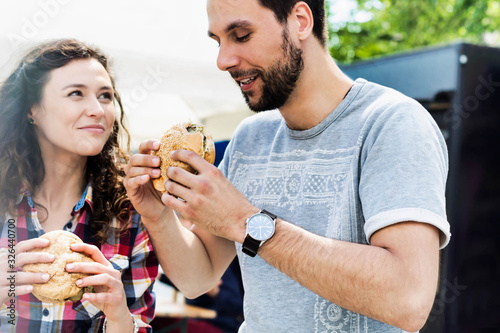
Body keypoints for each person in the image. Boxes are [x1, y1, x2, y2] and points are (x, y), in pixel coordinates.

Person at [124, 0, 451, 332]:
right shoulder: (249, 138)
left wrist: (247, 223)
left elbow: (408, 301)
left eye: (240, 35)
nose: (223, 61)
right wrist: (158, 215)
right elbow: (197, 277)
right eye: (218, 41)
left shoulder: (392, 124)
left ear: (300, 21)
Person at [0, 39, 158, 332]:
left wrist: (120, 317)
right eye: (76, 93)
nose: (97, 110)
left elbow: (140, 323)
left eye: (105, 96)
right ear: (31, 109)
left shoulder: (130, 212)